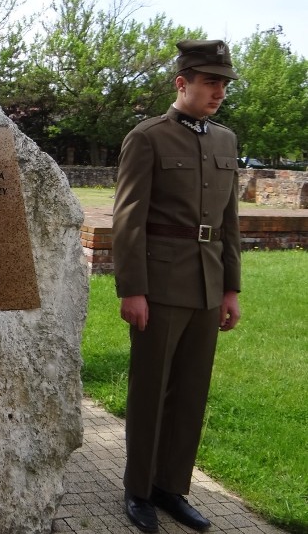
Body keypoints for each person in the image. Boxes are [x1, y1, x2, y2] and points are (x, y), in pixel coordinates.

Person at [112, 39, 242, 533]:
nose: (219, 91)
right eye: (211, 81)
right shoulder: (148, 138)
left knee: (190, 392)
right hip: (161, 286)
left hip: (208, 286)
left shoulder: (227, 142)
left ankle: (172, 487)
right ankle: (139, 489)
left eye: (224, 83)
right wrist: (132, 289)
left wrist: (231, 289)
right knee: (151, 390)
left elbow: (230, 224)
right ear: (181, 83)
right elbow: (129, 220)